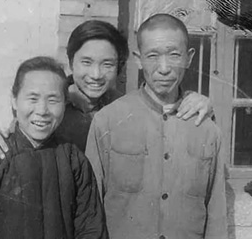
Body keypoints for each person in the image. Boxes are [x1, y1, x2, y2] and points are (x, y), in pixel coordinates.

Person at [0, 20, 213, 160]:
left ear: (119, 67)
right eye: (86, 62)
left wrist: (195, 100)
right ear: (71, 61)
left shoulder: (124, 110)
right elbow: (14, 137)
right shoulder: (48, 110)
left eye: (107, 64)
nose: (96, 75)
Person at [85, 14, 227, 239]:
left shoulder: (207, 129)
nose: (164, 68)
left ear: (189, 58)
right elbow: (89, 211)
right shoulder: (108, 121)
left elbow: (216, 215)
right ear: (139, 59)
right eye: (152, 55)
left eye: (174, 55)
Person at [0, 56, 108, 239]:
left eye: (53, 100)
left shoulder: (74, 160)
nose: (42, 110)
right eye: (32, 98)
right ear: (14, 101)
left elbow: (91, 231)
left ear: (64, 104)